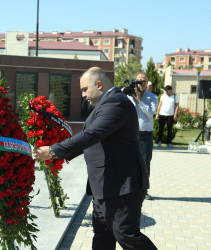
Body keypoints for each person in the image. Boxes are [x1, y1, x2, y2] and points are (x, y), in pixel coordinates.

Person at [33, 67, 157, 250]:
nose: (83, 95)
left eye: (85, 89)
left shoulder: (116, 103)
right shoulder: (108, 103)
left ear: (98, 85)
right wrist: (56, 152)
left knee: (127, 236)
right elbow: (90, 139)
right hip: (104, 188)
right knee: (102, 238)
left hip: (121, 188)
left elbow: (90, 135)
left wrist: (52, 151)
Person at [126, 73, 158, 200]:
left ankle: (143, 191)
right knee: (129, 162)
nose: (141, 83)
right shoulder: (129, 96)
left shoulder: (153, 97)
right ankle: (129, 189)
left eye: (144, 81)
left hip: (145, 136)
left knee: (145, 164)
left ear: (147, 82)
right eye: (139, 81)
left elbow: (150, 114)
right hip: (131, 135)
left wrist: (139, 100)